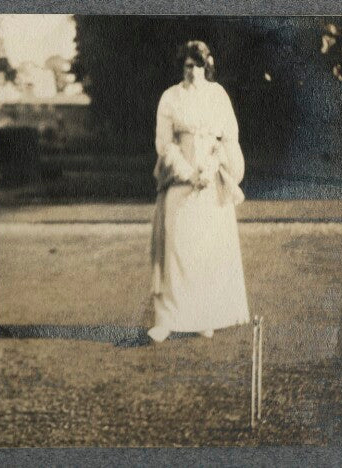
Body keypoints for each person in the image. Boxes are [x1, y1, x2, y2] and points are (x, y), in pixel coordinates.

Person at [148, 40, 250, 343]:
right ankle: (167, 320)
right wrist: (188, 173)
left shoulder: (218, 95)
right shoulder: (170, 97)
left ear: (208, 66)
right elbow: (165, 143)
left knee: (207, 251)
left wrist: (211, 167)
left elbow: (229, 138)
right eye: (188, 65)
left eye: (198, 65)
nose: (193, 71)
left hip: (210, 181)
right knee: (176, 249)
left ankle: (206, 317)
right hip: (180, 181)